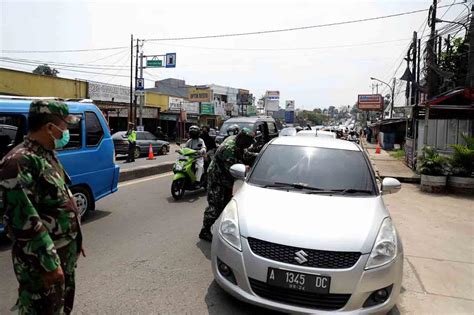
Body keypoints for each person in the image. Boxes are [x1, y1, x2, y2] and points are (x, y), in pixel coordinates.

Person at [0, 100, 85, 314]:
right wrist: (48, 264)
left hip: (61, 255)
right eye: (65, 126)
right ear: (50, 128)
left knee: (60, 308)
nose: (67, 132)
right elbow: (23, 220)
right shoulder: (18, 162)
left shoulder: (46, 155)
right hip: (42, 265)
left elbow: (60, 200)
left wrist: (76, 238)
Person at [199, 128, 256, 242]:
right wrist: (246, 167)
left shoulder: (237, 143)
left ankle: (220, 227)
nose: (249, 145)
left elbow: (245, 155)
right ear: (242, 139)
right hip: (217, 179)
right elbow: (234, 167)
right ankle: (204, 231)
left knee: (226, 204)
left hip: (226, 179)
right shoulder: (229, 149)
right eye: (248, 142)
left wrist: (259, 156)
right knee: (215, 206)